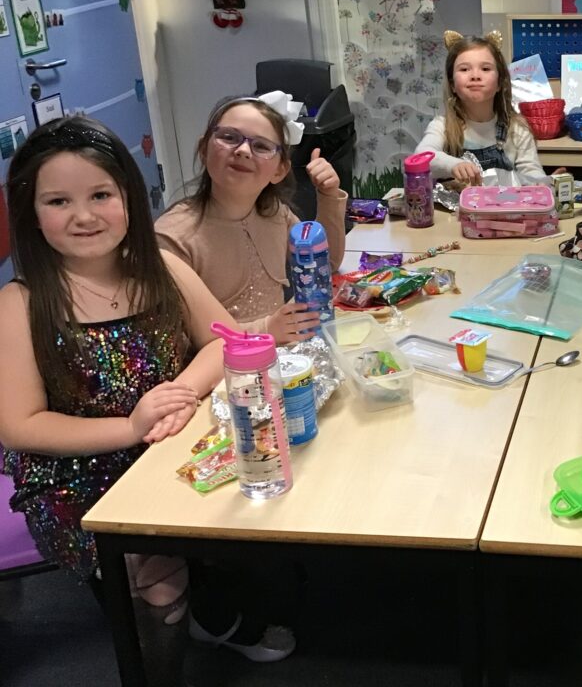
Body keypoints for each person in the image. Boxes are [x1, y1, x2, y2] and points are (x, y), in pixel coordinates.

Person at [0, 117, 294, 661]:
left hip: (173, 438)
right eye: (59, 201)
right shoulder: (21, 303)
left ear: (128, 198)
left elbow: (221, 341)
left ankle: (216, 612)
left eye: (101, 195)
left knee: (267, 496)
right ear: (31, 214)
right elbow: (21, 426)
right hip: (80, 475)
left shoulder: (160, 267)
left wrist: (178, 394)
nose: (84, 215)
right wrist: (132, 426)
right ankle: (165, 639)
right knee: (156, 582)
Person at [156, 91, 347, 345]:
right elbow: (178, 341)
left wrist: (328, 195)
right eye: (229, 137)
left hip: (285, 357)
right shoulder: (173, 236)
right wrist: (265, 329)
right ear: (204, 149)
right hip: (224, 367)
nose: (244, 150)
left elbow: (325, 266)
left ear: (280, 170)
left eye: (261, 146)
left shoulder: (275, 214)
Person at [415, 29, 546, 186]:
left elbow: (532, 172)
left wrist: (543, 183)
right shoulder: (442, 127)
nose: (475, 76)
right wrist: (453, 165)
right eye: (464, 69)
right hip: (457, 203)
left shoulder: (517, 129)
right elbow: (421, 156)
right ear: (452, 85)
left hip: (505, 202)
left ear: (500, 83)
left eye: (485, 69)